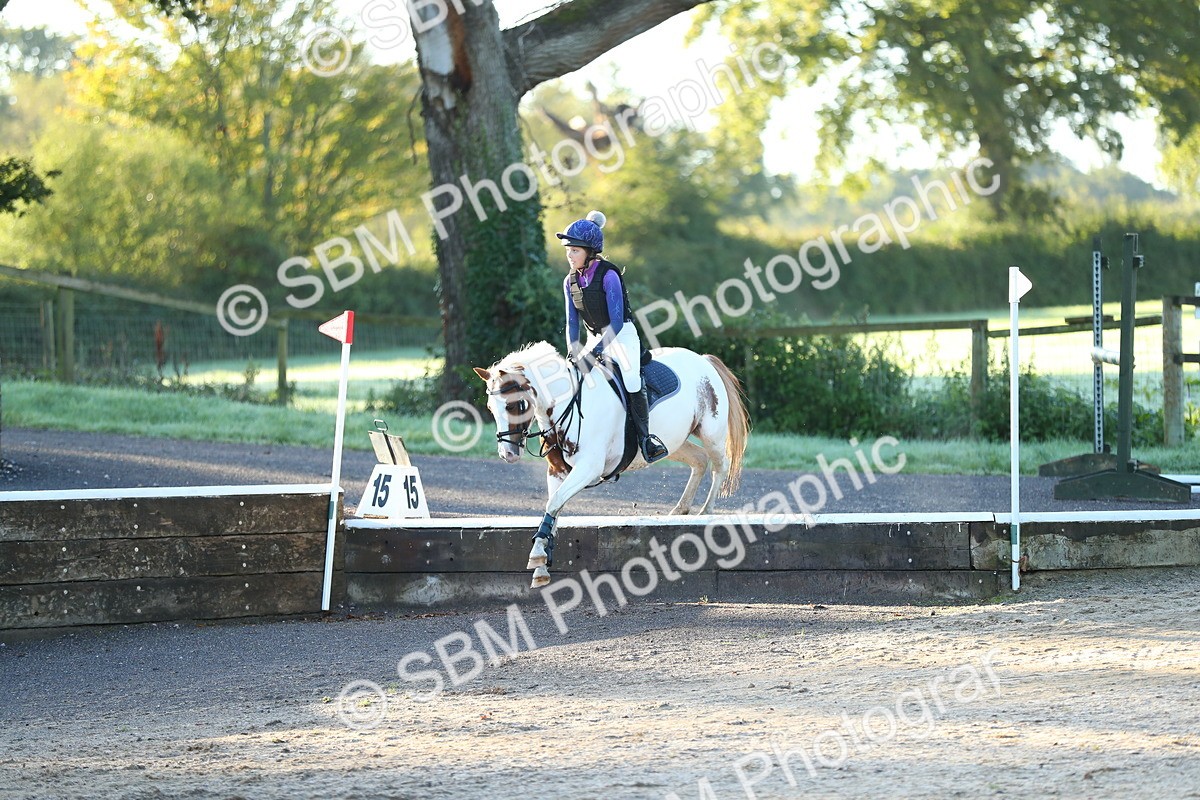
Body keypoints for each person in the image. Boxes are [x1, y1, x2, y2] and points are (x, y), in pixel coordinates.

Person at [557, 210, 668, 463]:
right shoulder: (569, 281)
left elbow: (616, 322)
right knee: (575, 376)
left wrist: (595, 352)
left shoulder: (609, 275)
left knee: (630, 379)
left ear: (589, 251)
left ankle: (646, 440)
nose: (569, 255)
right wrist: (574, 351)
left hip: (622, 335)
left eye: (574, 250)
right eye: (568, 250)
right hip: (593, 336)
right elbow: (571, 322)